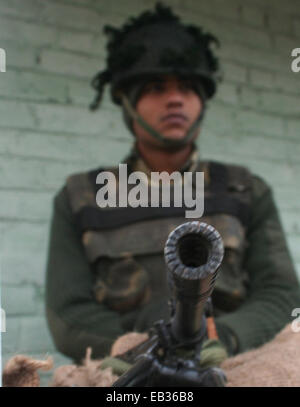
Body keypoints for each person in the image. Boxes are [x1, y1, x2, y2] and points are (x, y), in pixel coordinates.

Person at [45, 3, 300, 364]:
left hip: (234, 364)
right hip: (124, 370)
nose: (175, 98)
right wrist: (136, 346)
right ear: (127, 103)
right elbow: (67, 313)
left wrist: (226, 337)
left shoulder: (246, 190)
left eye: (187, 86)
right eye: (155, 87)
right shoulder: (80, 198)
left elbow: (282, 294)